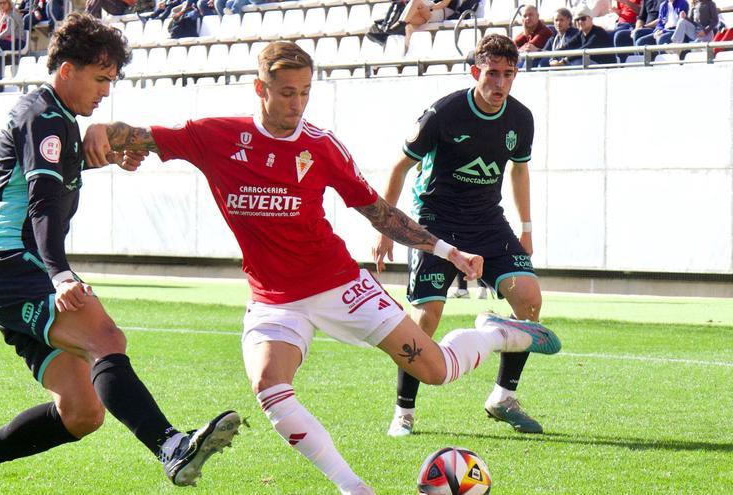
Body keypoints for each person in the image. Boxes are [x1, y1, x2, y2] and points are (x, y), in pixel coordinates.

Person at [82, 40, 561, 495]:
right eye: (287, 93)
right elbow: (137, 137)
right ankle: (353, 487)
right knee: (269, 385)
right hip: (274, 298)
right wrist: (103, 131)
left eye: (305, 92)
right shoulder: (218, 137)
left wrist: (447, 252)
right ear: (260, 89)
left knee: (436, 370)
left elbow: (379, 211)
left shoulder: (321, 146)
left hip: (340, 286)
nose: (297, 104)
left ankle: (497, 333)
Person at [0, 13, 241, 495]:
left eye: (111, 81)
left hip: (6, 272)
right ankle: (172, 447)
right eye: (100, 79)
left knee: (82, 412)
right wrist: (59, 274)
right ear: (67, 71)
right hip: (15, 266)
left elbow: (33, 170)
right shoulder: (45, 116)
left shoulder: (49, 116)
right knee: (105, 335)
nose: (105, 90)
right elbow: (40, 203)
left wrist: (99, 139)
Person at [373, 34, 555, 438]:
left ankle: (503, 397)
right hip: (436, 221)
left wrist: (526, 230)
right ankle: (404, 411)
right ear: (476, 71)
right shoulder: (444, 113)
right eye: (492, 73)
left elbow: (519, 170)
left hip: (488, 221)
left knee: (529, 300)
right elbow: (400, 167)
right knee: (426, 317)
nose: (500, 83)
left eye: (509, 74)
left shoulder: (520, 118)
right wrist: (385, 228)